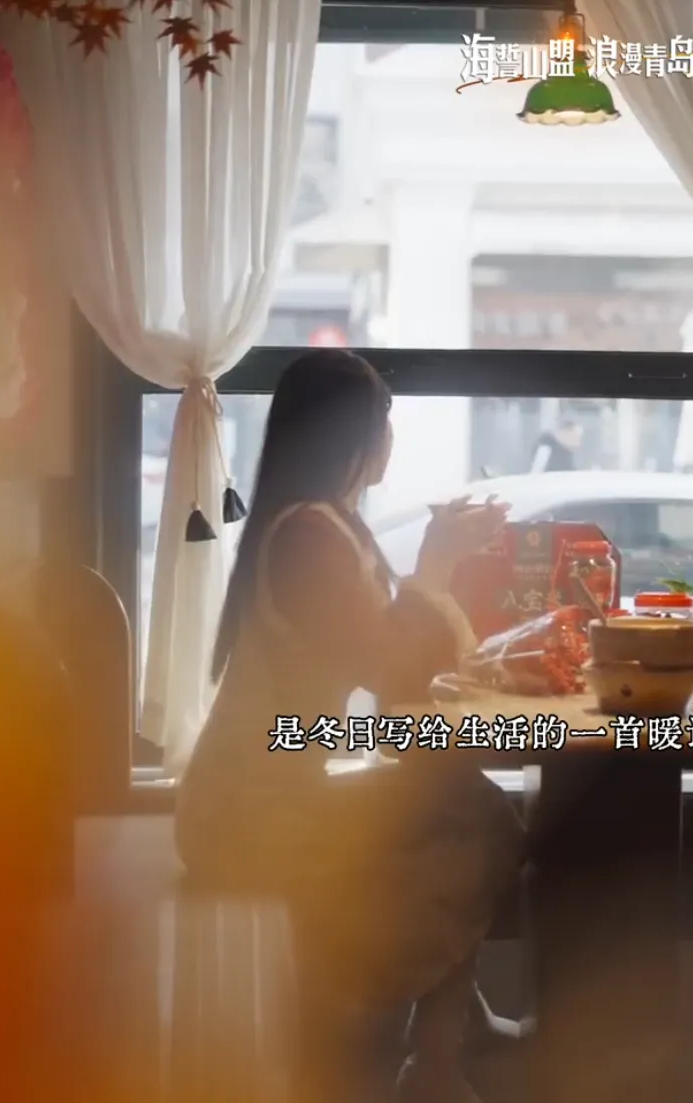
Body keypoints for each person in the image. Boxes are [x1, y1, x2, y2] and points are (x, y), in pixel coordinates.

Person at [175, 349, 525, 1103]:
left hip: (276, 785)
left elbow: (394, 679)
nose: (391, 438)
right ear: (356, 435)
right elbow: (393, 674)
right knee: (472, 816)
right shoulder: (309, 537)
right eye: (384, 421)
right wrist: (436, 564)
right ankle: (433, 1054)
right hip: (248, 812)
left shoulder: (326, 526)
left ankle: (446, 1038)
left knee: (464, 798)